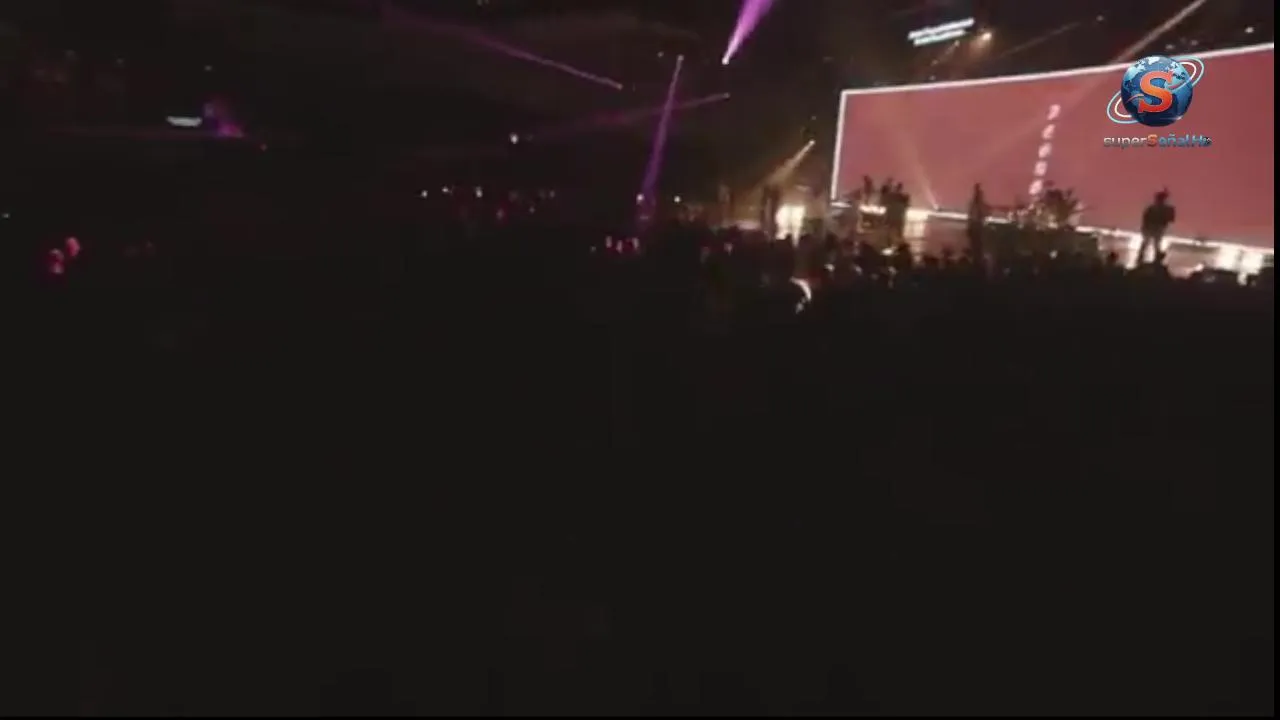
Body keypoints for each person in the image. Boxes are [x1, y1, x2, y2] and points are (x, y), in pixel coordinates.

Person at [1138, 190, 1176, 264]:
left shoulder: (1153, 208)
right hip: (1154, 228)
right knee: (1153, 244)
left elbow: (1145, 219)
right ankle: (1153, 259)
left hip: (1154, 228)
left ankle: (1143, 259)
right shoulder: (1155, 208)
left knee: (1150, 244)